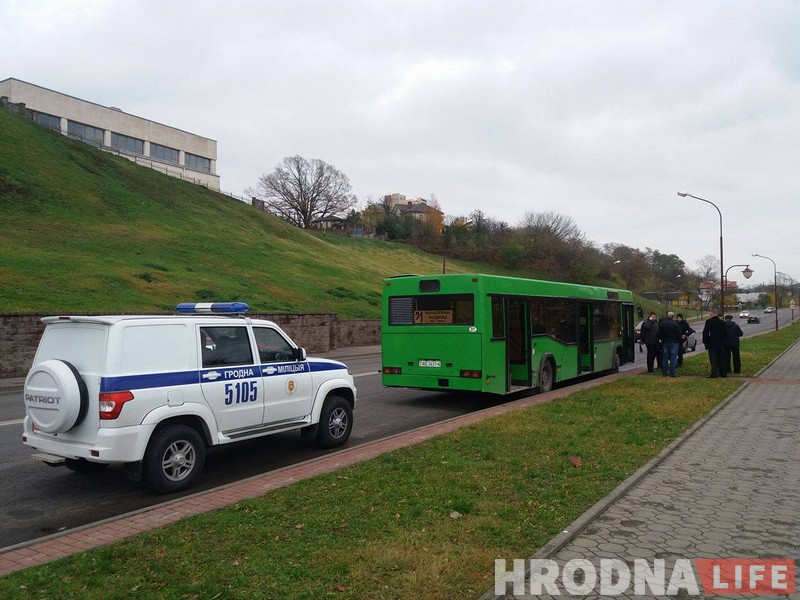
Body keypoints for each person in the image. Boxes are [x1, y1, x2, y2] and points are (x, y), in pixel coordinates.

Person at [702, 309, 727, 378]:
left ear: (713, 314)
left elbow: (705, 333)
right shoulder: (722, 323)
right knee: (721, 358)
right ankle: (723, 373)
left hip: (712, 343)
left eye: (710, 313)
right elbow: (725, 333)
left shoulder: (709, 322)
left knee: (713, 359)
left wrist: (705, 342)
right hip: (721, 343)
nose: (709, 314)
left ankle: (714, 373)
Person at [658, 311, 681, 377]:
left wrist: (662, 339)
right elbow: (678, 334)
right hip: (674, 342)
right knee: (673, 357)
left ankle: (664, 373)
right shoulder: (675, 324)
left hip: (665, 342)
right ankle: (672, 373)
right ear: (672, 317)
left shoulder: (662, 324)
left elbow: (659, 333)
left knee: (665, 357)